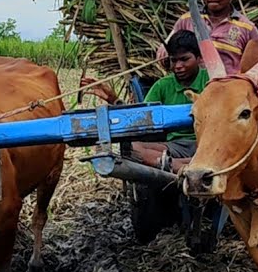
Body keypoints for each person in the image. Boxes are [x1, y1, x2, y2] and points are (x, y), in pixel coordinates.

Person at [81, 29, 208, 173]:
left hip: (208, 143)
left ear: (199, 58)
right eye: (174, 60)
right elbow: (139, 117)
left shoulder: (212, 82)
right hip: (174, 146)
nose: (178, 66)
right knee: (132, 148)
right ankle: (183, 166)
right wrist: (113, 99)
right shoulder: (162, 86)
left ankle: (175, 164)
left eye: (184, 59)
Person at [157, 0, 258, 74]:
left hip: (228, 88)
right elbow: (165, 53)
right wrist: (165, 52)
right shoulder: (187, 20)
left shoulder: (246, 28)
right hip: (191, 88)